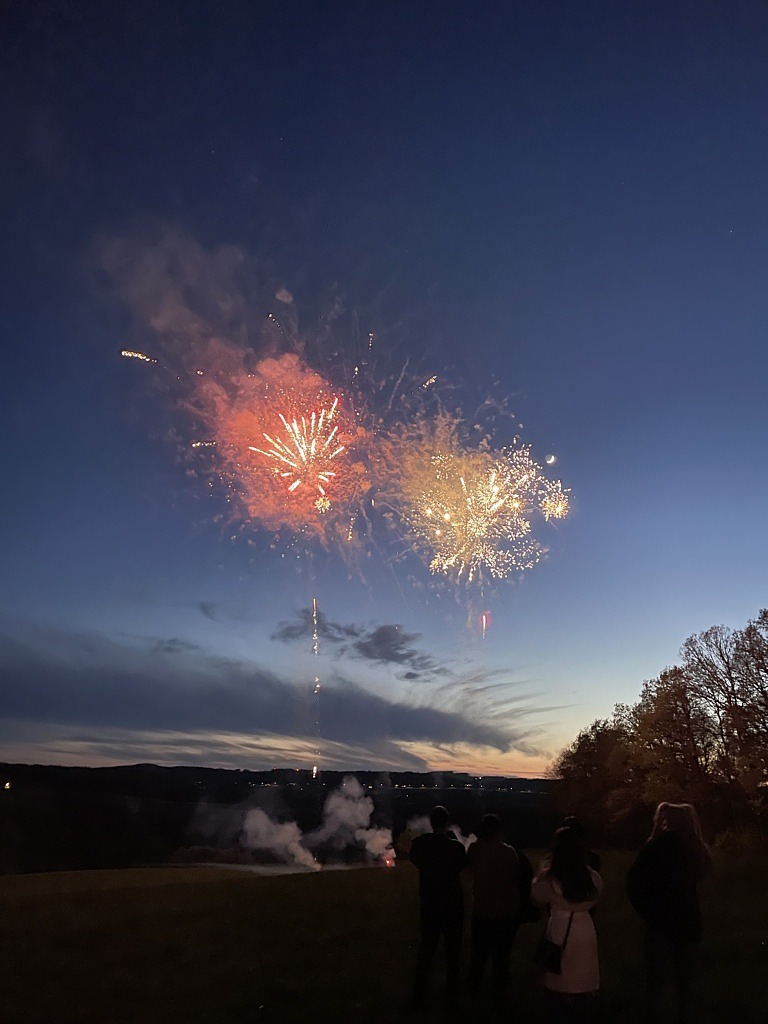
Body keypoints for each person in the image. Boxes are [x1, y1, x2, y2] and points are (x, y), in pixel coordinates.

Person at [627, 802, 712, 1024]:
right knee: (685, 986)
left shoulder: (654, 847)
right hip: (688, 924)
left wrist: (647, 912)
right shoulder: (695, 849)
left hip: (659, 925)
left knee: (655, 986)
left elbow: (633, 883)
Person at [532, 826, 603, 1023]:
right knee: (582, 979)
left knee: (558, 981)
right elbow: (595, 895)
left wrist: (542, 871)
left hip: (560, 928)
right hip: (583, 929)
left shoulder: (550, 877)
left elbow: (537, 894)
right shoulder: (591, 877)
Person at [409, 805, 467, 1009]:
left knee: (426, 950)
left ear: (431, 823)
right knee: (453, 952)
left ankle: (418, 997)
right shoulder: (456, 847)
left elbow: (416, 858)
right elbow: (461, 863)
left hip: (430, 902)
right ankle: (453, 995)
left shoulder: (420, 844)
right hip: (452, 903)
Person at [465, 813, 522, 1006]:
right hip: (504, 912)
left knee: (478, 956)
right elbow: (515, 875)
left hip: (482, 910)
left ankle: (472, 993)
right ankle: (499, 995)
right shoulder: (509, 852)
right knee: (501, 958)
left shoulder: (474, 849)